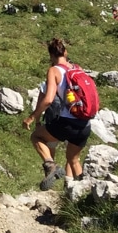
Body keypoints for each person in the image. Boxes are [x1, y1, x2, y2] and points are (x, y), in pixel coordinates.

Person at [22, 38, 91, 190]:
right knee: (73, 159)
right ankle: (81, 193)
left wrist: (32, 117)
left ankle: (51, 165)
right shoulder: (77, 69)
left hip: (66, 122)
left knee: (36, 136)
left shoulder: (54, 70)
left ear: (51, 56)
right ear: (65, 52)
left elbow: (48, 99)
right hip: (85, 123)